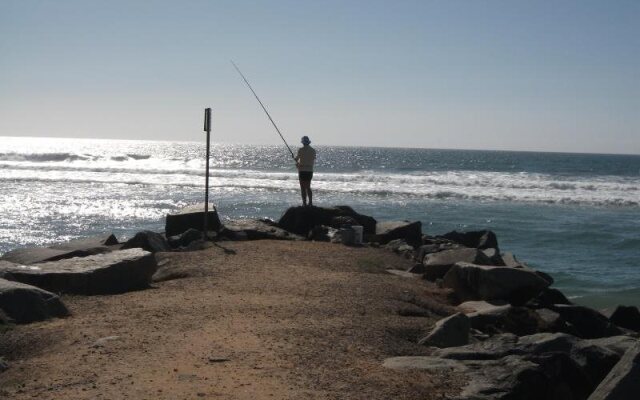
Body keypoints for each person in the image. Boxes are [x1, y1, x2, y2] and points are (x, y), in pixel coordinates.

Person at [294, 135, 316, 206]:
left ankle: (304, 203)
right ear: (308, 142)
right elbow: (312, 159)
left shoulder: (300, 150)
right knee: (308, 187)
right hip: (310, 171)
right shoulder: (313, 150)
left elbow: (297, 159)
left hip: (302, 170)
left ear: (303, 142)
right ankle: (310, 202)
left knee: (302, 188)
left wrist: (295, 158)